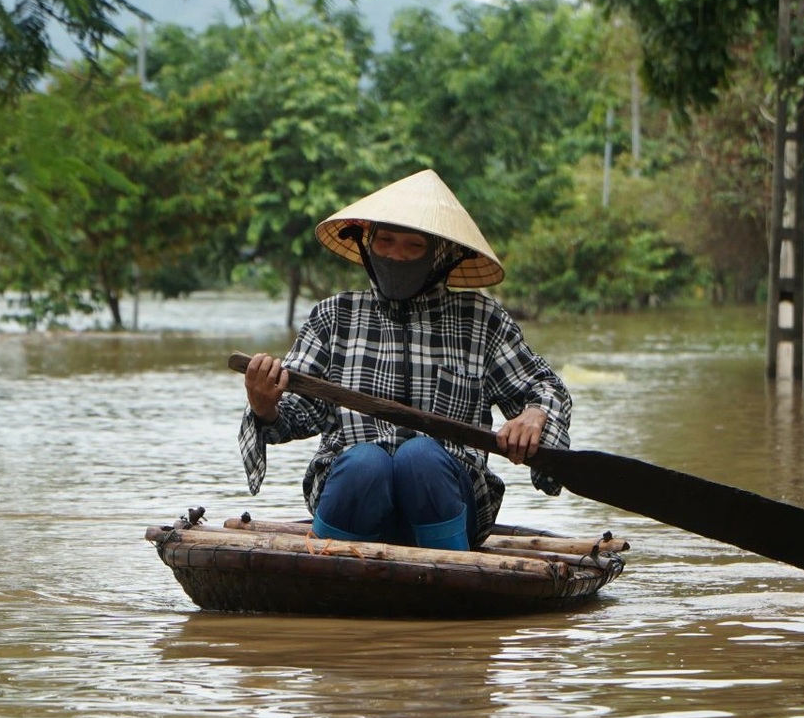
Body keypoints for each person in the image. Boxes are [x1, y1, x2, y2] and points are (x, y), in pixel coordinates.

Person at [239, 169, 571, 551]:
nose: (396, 255)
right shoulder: (334, 316)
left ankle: (446, 566)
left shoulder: (482, 320)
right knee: (367, 462)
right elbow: (295, 415)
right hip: (352, 493)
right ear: (367, 244)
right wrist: (264, 406)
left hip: (450, 495)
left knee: (420, 457)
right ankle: (335, 565)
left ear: (441, 255)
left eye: (414, 246)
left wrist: (534, 414)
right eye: (386, 241)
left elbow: (547, 388)